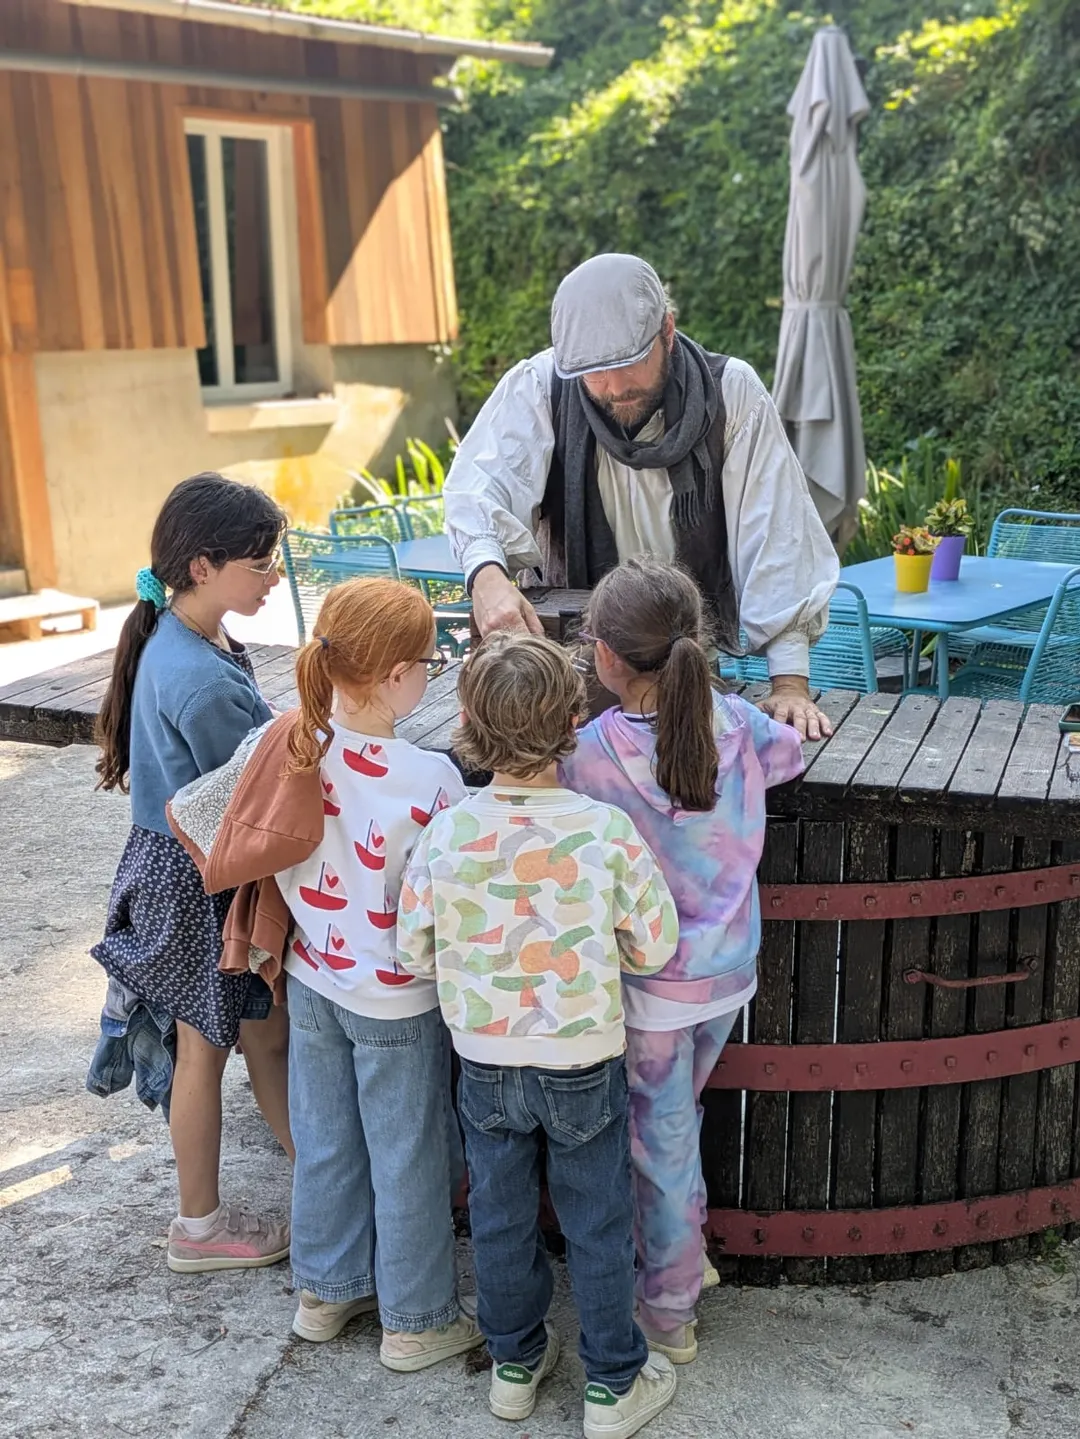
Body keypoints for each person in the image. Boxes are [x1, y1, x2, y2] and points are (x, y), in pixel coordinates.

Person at [398, 633, 681, 1439]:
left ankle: (515, 1365)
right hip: (581, 1060)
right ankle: (613, 1383)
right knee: (598, 1221)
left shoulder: (446, 832)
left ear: (467, 724)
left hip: (485, 1063)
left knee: (499, 1215)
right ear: (571, 720)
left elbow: (413, 950)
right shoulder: (606, 831)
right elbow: (654, 946)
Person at [558, 557, 805, 1361]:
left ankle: (669, 1309)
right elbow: (791, 753)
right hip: (727, 974)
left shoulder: (588, 755)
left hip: (650, 988)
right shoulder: (740, 725)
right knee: (675, 1121)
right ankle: (685, 1252)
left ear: (603, 656)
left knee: (657, 1142)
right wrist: (791, 701)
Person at [443, 251, 840, 739]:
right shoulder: (541, 386)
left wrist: (790, 684)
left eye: (629, 364)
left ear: (666, 331)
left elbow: (778, 531)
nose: (614, 388)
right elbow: (479, 488)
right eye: (594, 373)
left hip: (687, 673)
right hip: (567, 675)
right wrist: (487, 578)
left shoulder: (732, 392)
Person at [273, 577, 483, 1369]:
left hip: (311, 978)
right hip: (397, 999)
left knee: (325, 1139)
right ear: (398, 675)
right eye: (429, 661)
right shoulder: (430, 779)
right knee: (408, 1155)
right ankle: (417, 1319)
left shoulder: (290, 742)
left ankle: (327, 1291)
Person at [93, 472, 294, 1273]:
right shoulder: (200, 678)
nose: (273, 576)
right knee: (206, 1049)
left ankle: (325, 1178)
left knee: (264, 1031)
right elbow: (258, 795)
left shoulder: (182, 636)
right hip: (196, 880)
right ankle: (200, 1227)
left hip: (177, 867)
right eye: (260, 563)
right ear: (203, 566)